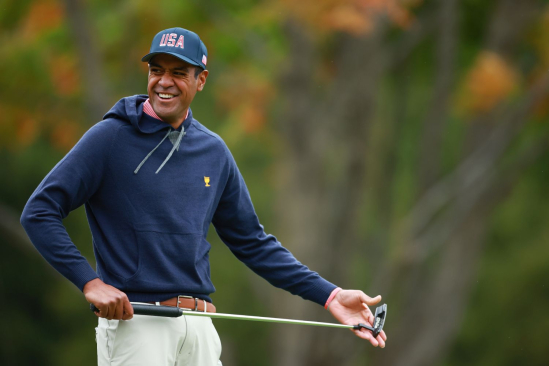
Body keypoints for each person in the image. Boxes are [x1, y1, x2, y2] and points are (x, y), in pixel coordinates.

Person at [20, 27, 387, 366]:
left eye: (179, 72)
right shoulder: (109, 138)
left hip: (200, 328)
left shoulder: (213, 151)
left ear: (201, 80)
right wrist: (90, 282)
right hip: (139, 324)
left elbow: (253, 242)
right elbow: (39, 211)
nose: (164, 82)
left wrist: (330, 295)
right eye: (156, 70)